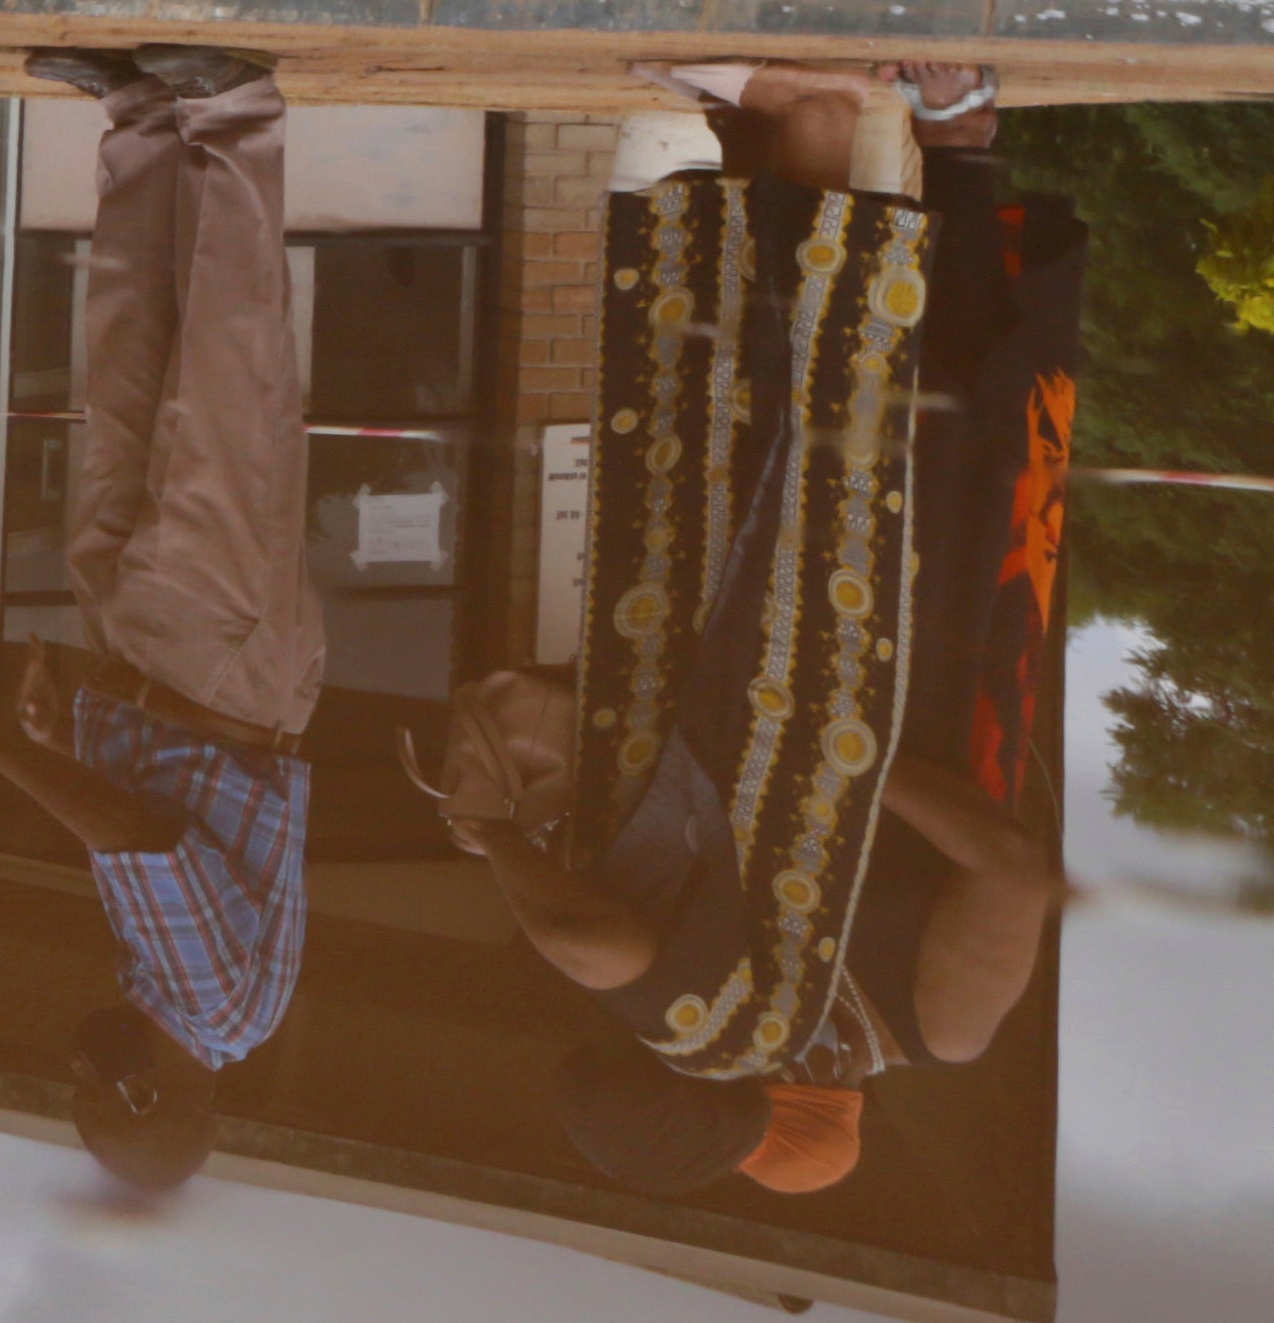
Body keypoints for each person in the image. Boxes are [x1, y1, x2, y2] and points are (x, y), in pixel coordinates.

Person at [431, 71, 1057, 1193]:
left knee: (769, 424)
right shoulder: (926, 1028)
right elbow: (1009, 870)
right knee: (929, 424)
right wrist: (838, 757)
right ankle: (951, 139)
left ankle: (788, 132)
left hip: (769, 673)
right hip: (916, 683)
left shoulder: (724, 987)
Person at [0, 45, 322, 1195]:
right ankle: (230, 106)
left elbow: (158, 821)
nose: (73, 1069)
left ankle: (146, 119)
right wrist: (2, 752)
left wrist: (68, 737)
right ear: (142, 1098)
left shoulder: (176, 993)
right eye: (84, 1095)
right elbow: (143, 838)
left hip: (150, 668)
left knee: (124, 360)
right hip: (222, 669)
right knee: (226, 377)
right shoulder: (212, 1008)